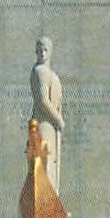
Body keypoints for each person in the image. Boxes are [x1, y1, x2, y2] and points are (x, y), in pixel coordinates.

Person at [30, 36, 64, 183]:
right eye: (39, 51)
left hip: (48, 124)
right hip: (44, 124)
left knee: (48, 165)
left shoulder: (48, 72)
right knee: (44, 166)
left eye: (45, 50)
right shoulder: (41, 71)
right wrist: (59, 120)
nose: (42, 54)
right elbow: (43, 100)